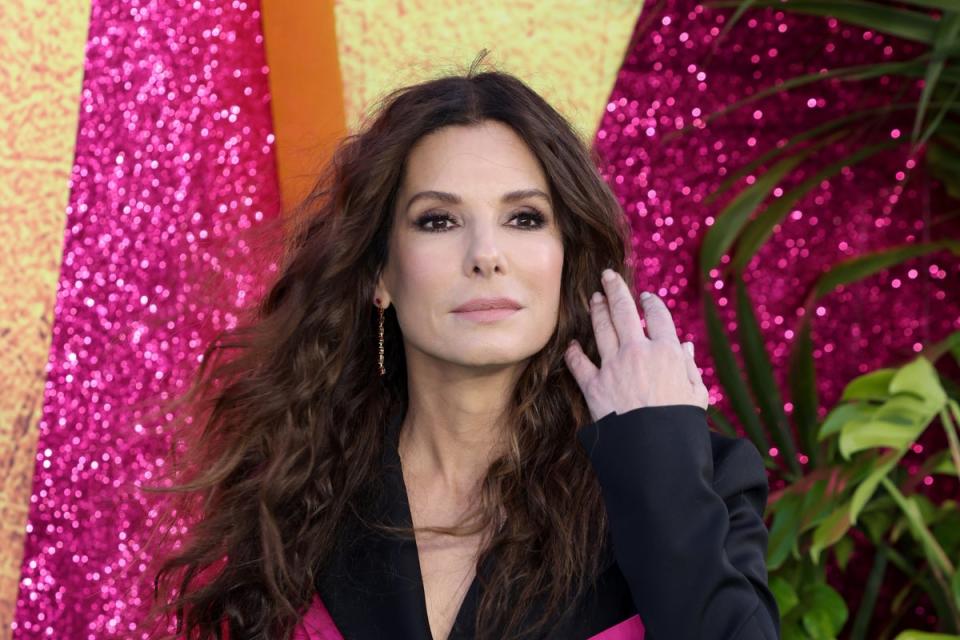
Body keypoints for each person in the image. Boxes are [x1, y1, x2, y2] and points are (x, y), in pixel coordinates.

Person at [143, 50, 781, 640]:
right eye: (438, 220)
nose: (485, 256)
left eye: (524, 217)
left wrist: (655, 451)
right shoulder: (291, 488)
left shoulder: (698, 479)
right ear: (380, 275)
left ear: (567, 257)